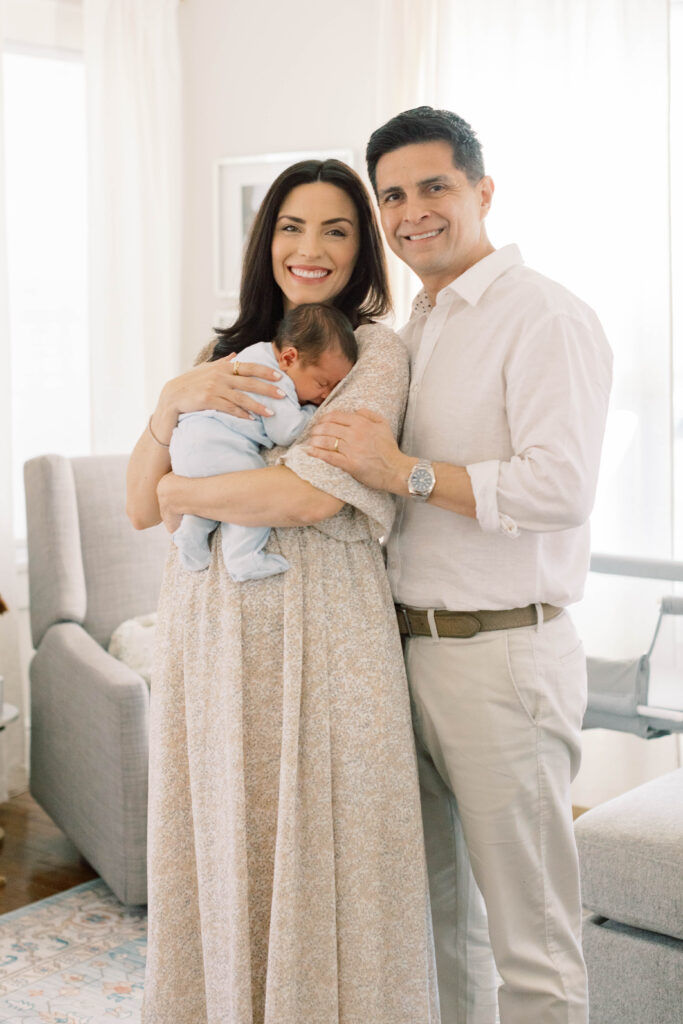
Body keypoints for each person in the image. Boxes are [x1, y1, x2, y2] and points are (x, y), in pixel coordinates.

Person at [307, 107, 613, 1024]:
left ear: (481, 191)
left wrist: (402, 472)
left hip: (501, 661)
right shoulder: (417, 323)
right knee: (437, 927)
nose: (410, 213)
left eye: (433, 187)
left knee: (532, 941)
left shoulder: (545, 316)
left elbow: (559, 488)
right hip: (405, 655)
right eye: (391, 196)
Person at [127, 158, 440, 1024]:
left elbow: (303, 496)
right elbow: (132, 502)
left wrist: (183, 492)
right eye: (293, 227)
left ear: (362, 249)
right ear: (267, 240)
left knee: (329, 850)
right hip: (210, 632)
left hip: (324, 632)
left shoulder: (373, 353)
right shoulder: (218, 359)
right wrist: (169, 402)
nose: (312, 248)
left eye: (337, 230)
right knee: (223, 839)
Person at [170, 303, 357, 579]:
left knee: (216, 495)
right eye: (322, 383)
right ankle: (243, 558)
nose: (325, 396)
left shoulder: (255, 354)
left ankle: (190, 534)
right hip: (216, 444)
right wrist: (311, 413)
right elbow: (286, 431)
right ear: (290, 358)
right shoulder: (272, 377)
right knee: (253, 493)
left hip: (190, 444)